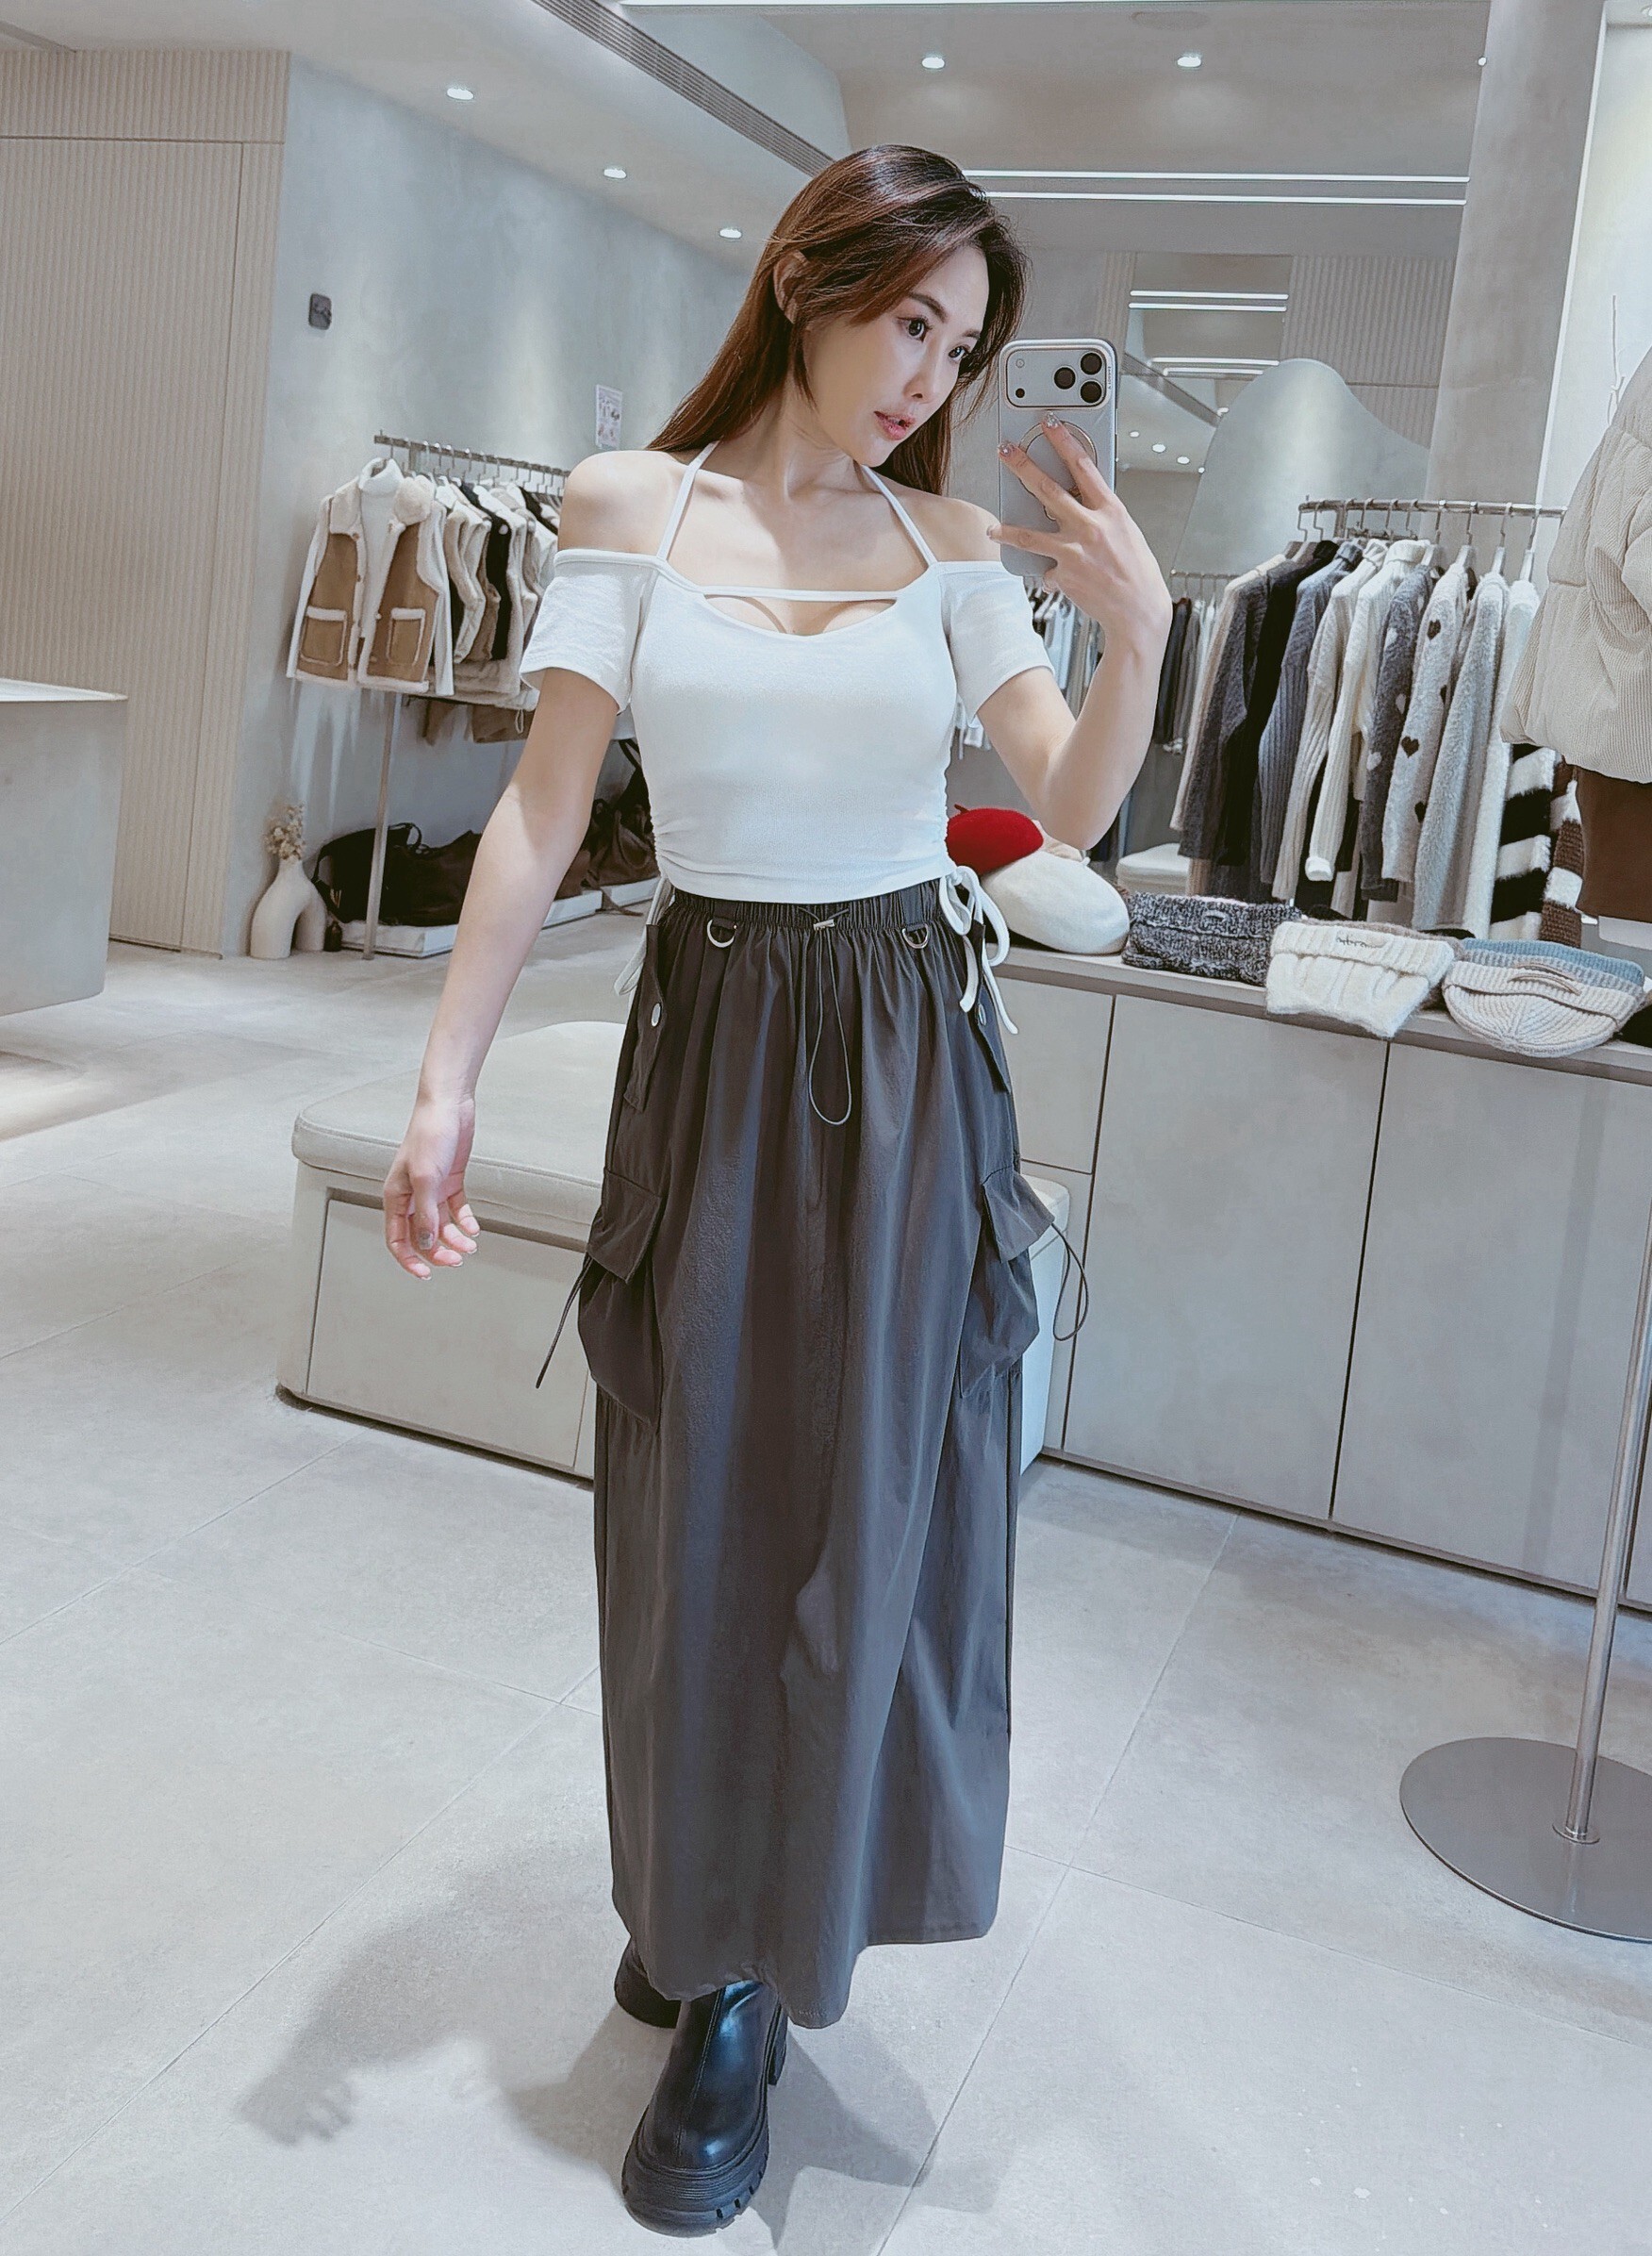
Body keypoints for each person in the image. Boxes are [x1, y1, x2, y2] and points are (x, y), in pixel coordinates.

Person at [381, 142, 1169, 2237]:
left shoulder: (949, 547)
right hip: (714, 1043)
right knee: (692, 1498)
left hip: (905, 1058)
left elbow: (1063, 808)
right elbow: (542, 814)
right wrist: (445, 1079)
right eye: (911, 320)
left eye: (962, 347)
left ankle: (745, 1972)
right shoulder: (629, 508)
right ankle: (695, 1893)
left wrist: (1141, 643)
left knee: (855, 1512)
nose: (930, 376)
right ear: (811, 276)